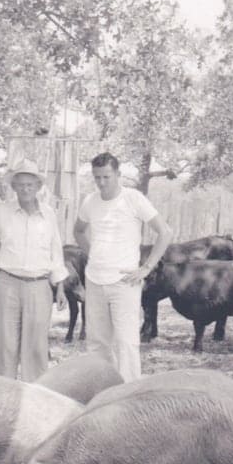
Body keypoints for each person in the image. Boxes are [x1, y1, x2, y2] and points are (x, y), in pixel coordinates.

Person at [74, 152, 173, 382]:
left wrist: (146, 268)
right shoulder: (90, 201)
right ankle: (101, 391)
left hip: (124, 282)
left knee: (126, 342)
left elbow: (165, 232)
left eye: (106, 177)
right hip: (95, 280)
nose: (101, 182)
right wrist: (94, 254)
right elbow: (78, 231)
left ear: (118, 174)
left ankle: (129, 395)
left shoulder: (133, 199)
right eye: (97, 177)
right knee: (97, 343)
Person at [0, 159, 68, 382]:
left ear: (38, 186)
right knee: (5, 344)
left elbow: (56, 253)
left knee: (36, 345)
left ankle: (35, 393)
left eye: (30, 184)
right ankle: (1, 391)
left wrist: (60, 288)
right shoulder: (1, 213)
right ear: (14, 187)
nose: (26, 189)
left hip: (40, 286)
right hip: (7, 284)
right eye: (21, 184)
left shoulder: (48, 215)